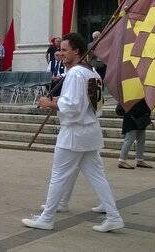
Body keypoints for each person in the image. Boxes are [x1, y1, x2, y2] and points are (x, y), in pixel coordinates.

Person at [24, 32, 123, 233]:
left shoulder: (77, 73)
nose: (60, 53)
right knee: (96, 175)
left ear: (76, 51)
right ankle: (112, 215)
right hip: (89, 130)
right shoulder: (92, 72)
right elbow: (87, 103)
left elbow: (72, 106)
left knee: (59, 175)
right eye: (59, 50)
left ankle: (47, 218)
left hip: (74, 132)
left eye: (64, 50)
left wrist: (49, 102)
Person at [116, 100, 152, 169]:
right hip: (131, 119)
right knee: (129, 140)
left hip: (141, 119)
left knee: (141, 139)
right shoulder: (129, 94)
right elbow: (121, 110)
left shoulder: (142, 93)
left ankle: (139, 160)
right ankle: (122, 161)